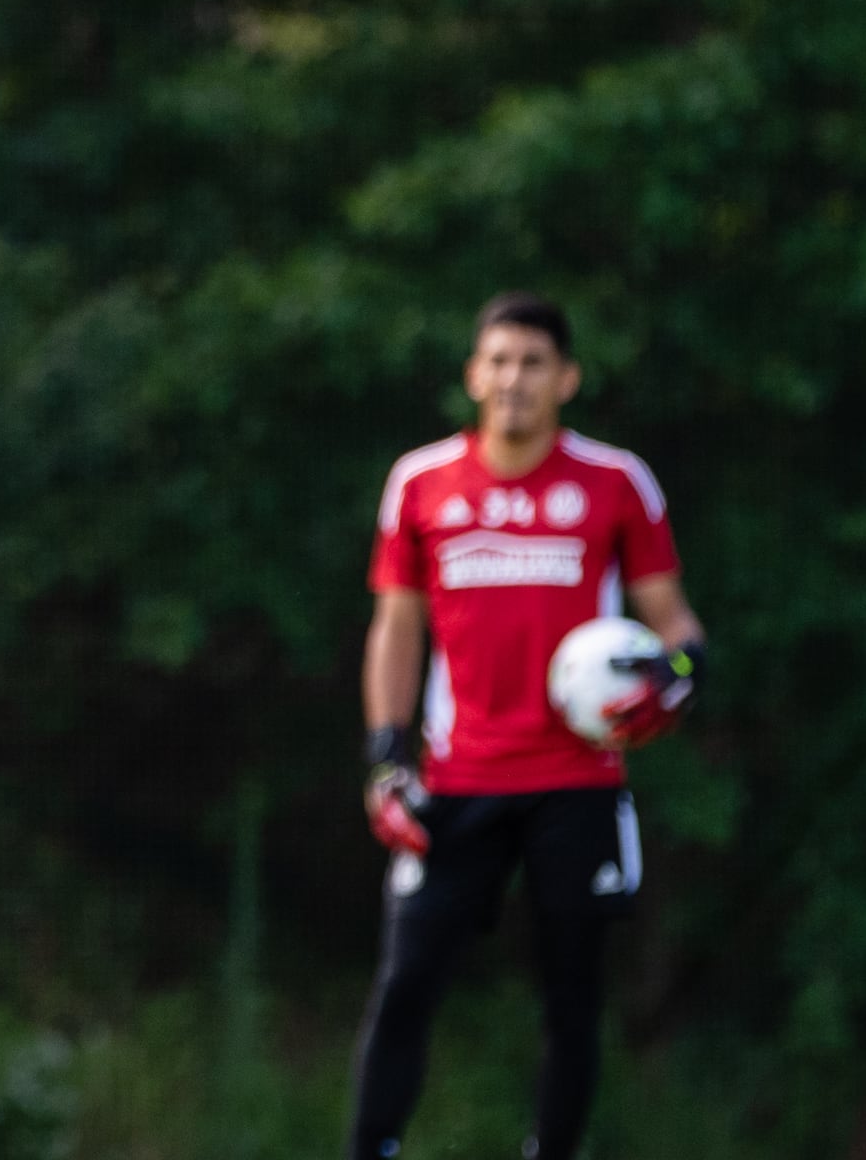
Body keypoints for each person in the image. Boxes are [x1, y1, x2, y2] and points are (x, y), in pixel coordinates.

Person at [346, 293, 705, 1160]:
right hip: (457, 779)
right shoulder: (421, 482)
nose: (514, 379)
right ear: (473, 375)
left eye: (533, 363)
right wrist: (386, 755)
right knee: (405, 987)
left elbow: (678, 630)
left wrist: (677, 678)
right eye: (498, 361)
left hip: (576, 785)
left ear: (566, 379)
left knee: (573, 995)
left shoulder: (616, 482)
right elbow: (397, 625)